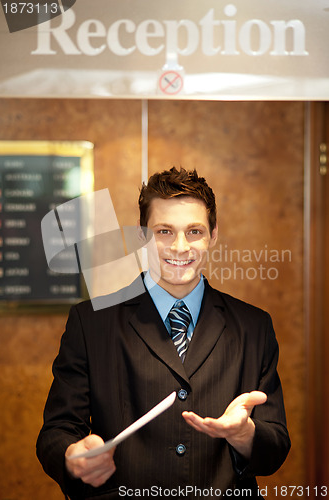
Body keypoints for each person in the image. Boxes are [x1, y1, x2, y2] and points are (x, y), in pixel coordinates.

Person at [37, 167, 290, 499]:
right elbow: (57, 431)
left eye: (194, 231)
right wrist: (73, 456)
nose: (180, 247)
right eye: (164, 231)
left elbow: (275, 446)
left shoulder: (254, 326)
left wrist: (245, 434)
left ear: (213, 235)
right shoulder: (90, 323)